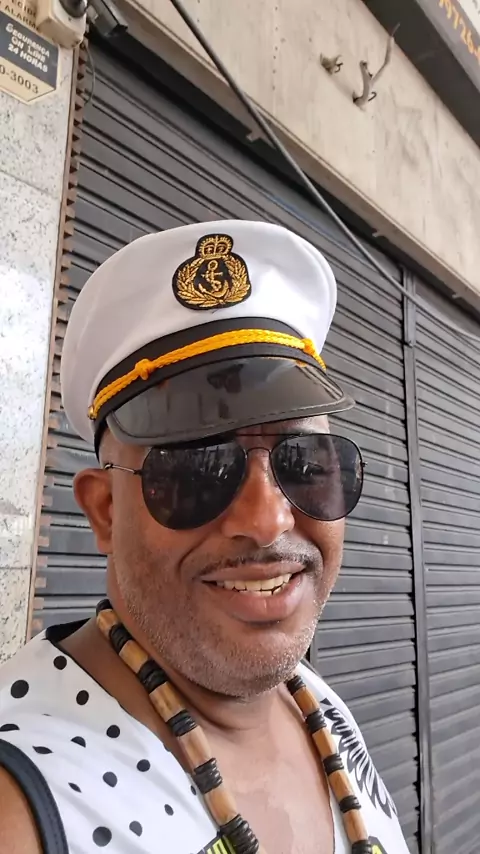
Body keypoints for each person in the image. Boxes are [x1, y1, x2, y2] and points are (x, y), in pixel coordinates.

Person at [0, 221, 409, 854]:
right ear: (105, 511)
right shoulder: (25, 802)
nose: (268, 520)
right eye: (197, 471)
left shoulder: (320, 708)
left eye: (305, 463)